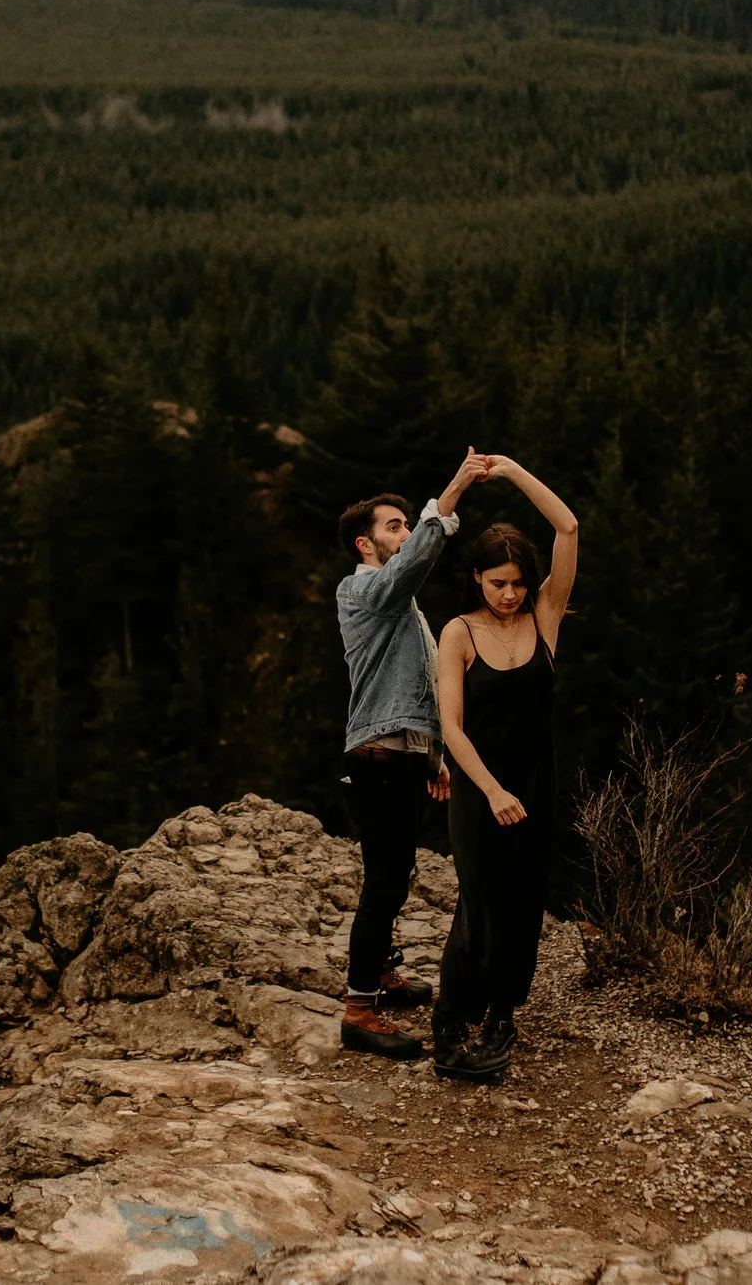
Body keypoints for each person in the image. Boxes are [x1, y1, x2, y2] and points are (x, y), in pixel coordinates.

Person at [333, 447, 489, 1059]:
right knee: (384, 882)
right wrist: (450, 494)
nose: (404, 534)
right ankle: (358, 1010)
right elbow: (415, 564)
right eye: (392, 527)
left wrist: (435, 757)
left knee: (397, 876)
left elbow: (422, 685)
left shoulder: (400, 606)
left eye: (406, 524)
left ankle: (383, 975)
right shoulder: (364, 589)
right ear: (365, 546)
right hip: (376, 758)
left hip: (401, 757)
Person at [431, 457, 578, 1081]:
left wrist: (514, 472)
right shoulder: (458, 632)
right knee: (480, 905)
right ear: (477, 580)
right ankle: (448, 1022)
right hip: (480, 790)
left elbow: (568, 529)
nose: (511, 594)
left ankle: (500, 1016)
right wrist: (491, 790)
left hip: (537, 786)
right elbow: (452, 729)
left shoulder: (545, 619)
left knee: (523, 906)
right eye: (498, 583)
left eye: (518, 582)